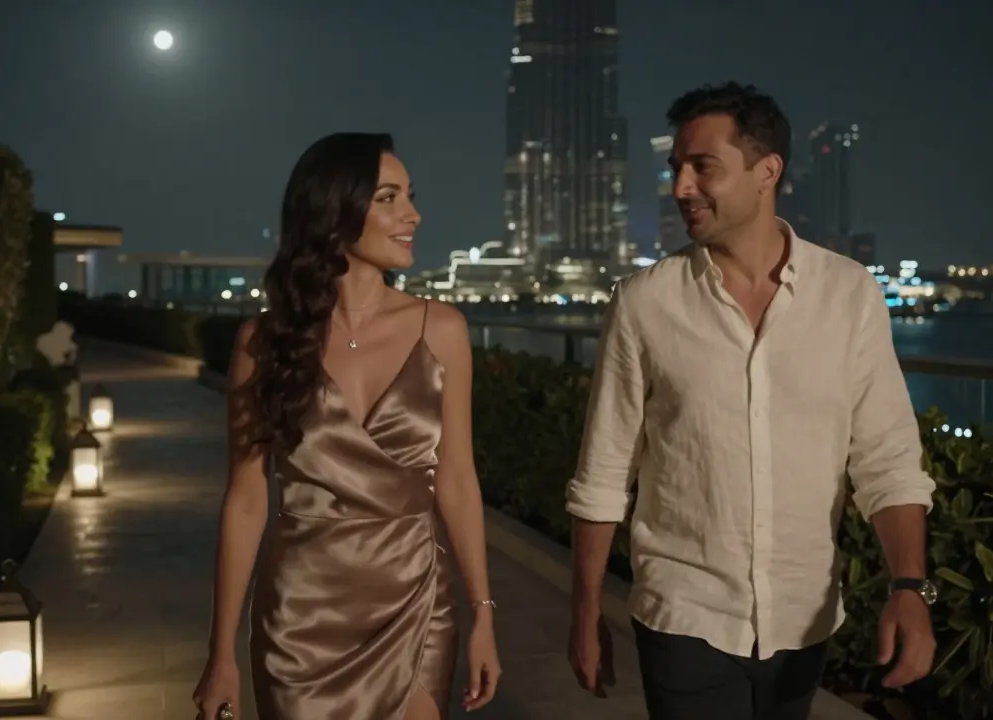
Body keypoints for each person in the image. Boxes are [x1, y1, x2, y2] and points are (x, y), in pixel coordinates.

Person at [564, 82, 939, 720]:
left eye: (702, 166)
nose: (681, 186)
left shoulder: (847, 294)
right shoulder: (646, 302)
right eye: (676, 168)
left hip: (804, 617)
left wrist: (910, 587)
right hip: (685, 615)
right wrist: (584, 610)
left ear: (767, 172)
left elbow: (888, 459)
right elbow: (603, 472)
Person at [192, 132, 501, 720]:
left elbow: (458, 481)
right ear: (334, 210)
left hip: (417, 604)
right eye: (389, 198)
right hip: (300, 618)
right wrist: (221, 653)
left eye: (410, 196)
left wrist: (483, 613)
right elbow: (246, 500)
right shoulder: (264, 343)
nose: (413, 214)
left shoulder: (443, 330)